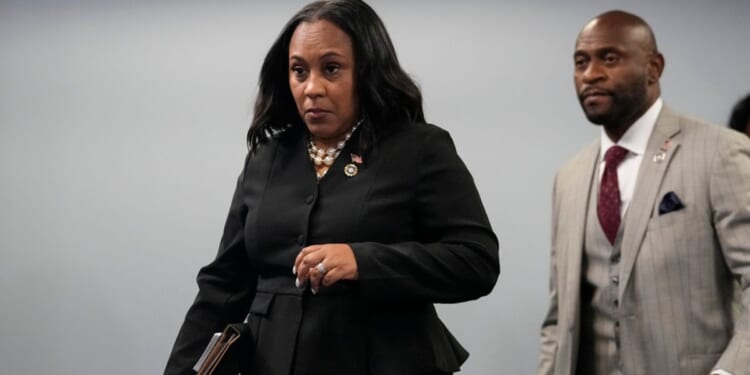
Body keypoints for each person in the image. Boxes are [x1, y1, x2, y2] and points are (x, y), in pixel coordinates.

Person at [164, 1, 500, 374]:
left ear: (367, 72)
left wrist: (362, 261)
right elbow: (223, 285)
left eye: (331, 69)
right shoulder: (266, 157)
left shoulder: (418, 149)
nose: (312, 88)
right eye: (298, 71)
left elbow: (476, 262)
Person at [538, 10, 750, 375]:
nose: (591, 74)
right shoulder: (568, 178)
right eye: (580, 62)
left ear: (654, 67)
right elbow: (560, 319)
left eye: (609, 58)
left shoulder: (719, 152)